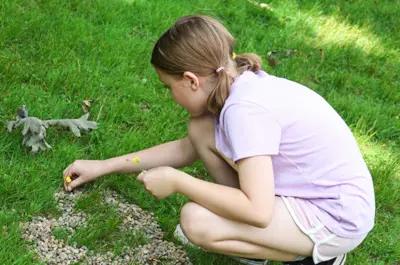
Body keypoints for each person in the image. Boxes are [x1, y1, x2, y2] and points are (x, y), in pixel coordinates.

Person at [62, 15, 375, 265]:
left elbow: (258, 211)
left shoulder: (244, 111)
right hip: (313, 196)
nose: (170, 96)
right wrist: (104, 166)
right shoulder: (238, 87)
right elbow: (188, 147)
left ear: (191, 80)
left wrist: (178, 181)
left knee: (196, 221)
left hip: (335, 216)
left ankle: (313, 256)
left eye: (168, 86)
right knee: (200, 130)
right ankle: (266, 241)